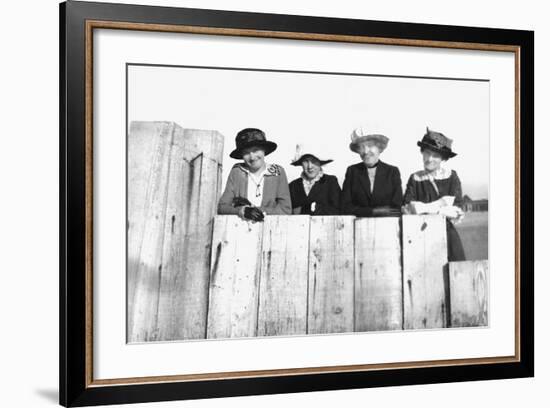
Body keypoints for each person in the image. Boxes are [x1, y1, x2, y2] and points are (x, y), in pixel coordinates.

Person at [403, 127, 466, 261]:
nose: (429, 159)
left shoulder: (452, 177)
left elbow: (456, 210)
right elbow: (409, 208)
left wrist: (424, 208)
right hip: (420, 234)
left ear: (443, 158)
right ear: (422, 153)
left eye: (435, 155)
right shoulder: (415, 179)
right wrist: (442, 207)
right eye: (426, 153)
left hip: (447, 234)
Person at [218, 128, 292, 221]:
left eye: (256, 150)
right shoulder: (237, 172)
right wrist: (242, 210)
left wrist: (258, 211)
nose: (252, 157)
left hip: (270, 230)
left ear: (264, 150)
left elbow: (285, 210)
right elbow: (222, 207)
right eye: (246, 153)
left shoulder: (277, 172)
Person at [341, 127, 403, 217]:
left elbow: (396, 209)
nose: (366, 151)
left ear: (379, 148)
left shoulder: (392, 172)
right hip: (358, 227)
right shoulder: (352, 171)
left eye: (370, 146)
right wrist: (374, 211)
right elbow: (345, 207)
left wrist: (360, 211)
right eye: (361, 147)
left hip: (387, 226)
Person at [288, 145, 341, 215]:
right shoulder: (293, 186)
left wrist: (309, 208)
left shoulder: (330, 182)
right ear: (301, 163)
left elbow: (339, 209)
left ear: (320, 162)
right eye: (306, 161)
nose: (310, 166)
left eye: (314, 161)